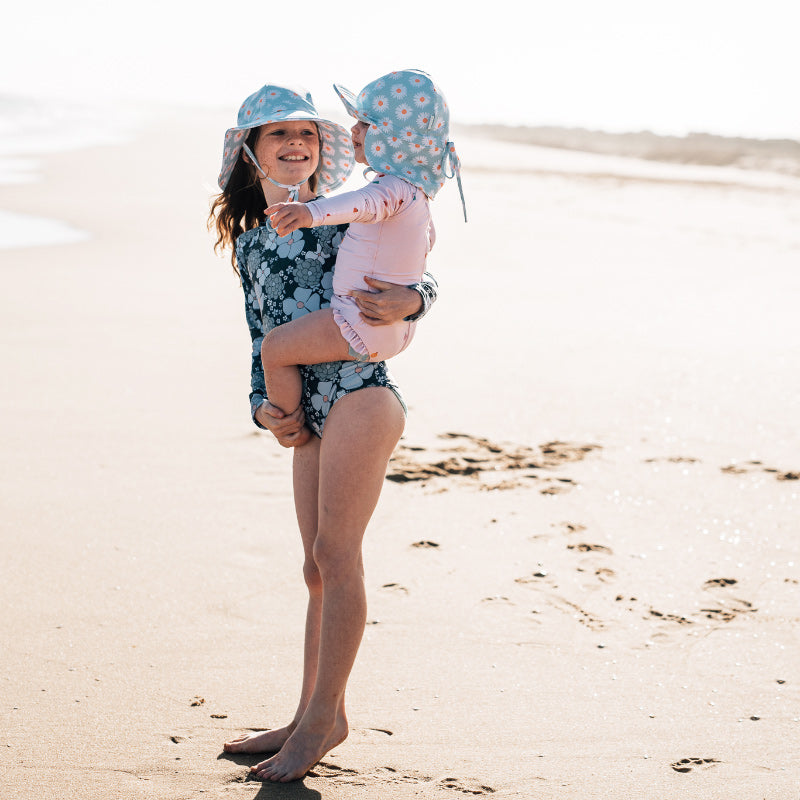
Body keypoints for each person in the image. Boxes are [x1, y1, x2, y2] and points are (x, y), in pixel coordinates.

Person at [207, 83, 440, 782]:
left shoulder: (341, 217)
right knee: (314, 565)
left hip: (362, 398)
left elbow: (414, 260)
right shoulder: (251, 244)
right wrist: (262, 404)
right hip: (306, 409)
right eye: (278, 135)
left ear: (321, 151)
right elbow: (260, 337)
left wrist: (419, 299)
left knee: (340, 556)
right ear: (251, 153)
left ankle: (321, 724)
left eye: (306, 134)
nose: (295, 144)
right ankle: (315, 710)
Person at [260, 69, 465, 423]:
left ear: (396, 139)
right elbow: (423, 244)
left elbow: (360, 204)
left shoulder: (391, 191)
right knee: (273, 347)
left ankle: (287, 421)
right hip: (386, 330)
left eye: (365, 124)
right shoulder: (414, 196)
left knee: (275, 349)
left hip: (357, 320)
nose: (353, 131)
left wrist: (309, 213)